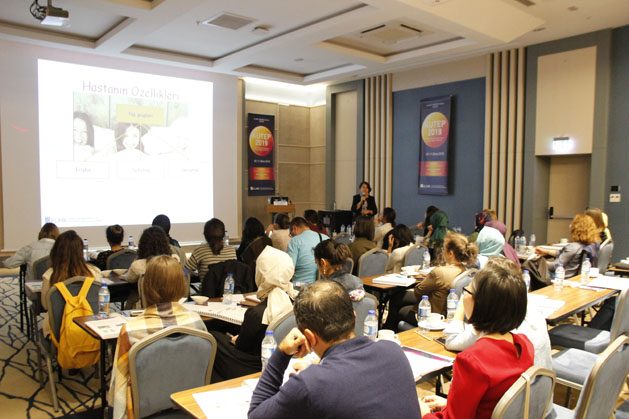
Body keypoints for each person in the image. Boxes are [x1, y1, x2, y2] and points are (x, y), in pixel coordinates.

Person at [248, 280, 420, 419]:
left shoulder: (310, 384)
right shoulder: (393, 350)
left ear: (309, 337)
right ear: (354, 316)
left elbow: (256, 414)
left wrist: (281, 354)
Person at [421, 258, 534, 418]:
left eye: (467, 290)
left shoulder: (472, 361)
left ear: (481, 304)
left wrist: (423, 412)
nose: (464, 295)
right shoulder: (524, 345)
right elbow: (495, 401)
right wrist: (450, 404)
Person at [109, 255, 207, 419]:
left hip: (144, 409)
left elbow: (119, 385)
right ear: (182, 285)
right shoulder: (196, 322)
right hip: (188, 405)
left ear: (146, 286)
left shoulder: (131, 330)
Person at [444, 258, 552, 369]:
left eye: (468, 290)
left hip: (513, 379)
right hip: (540, 378)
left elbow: (452, 341)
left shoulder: (492, 329)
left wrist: (462, 303)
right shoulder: (528, 317)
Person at [210, 246, 297, 382]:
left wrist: (235, 339)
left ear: (262, 273)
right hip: (280, 361)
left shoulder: (257, 314)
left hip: (251, 365)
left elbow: (241, 347)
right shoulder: (294, 301)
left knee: (213, 337)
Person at [383, 233, 477, 330]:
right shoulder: (466, 271)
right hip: (449, 312)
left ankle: (388, 330)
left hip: (433, 316)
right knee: (399, 297)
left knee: (400, 307)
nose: (443, 252)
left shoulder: (440, 272)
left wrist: (429, 278)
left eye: (444, 249)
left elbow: (418, 292)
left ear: (451, 253)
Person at [41, 230, 101, 311]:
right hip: (89, 318)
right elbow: (99, 302)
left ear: (56, 251)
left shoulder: (49, 275)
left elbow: (46, 305)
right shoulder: (94, 272)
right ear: (81, 251)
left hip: (60, 319)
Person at [535, 213, 599, 278]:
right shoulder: (588, 245)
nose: (570, 226)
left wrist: (538, 261)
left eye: (573, 224)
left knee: (532, 270)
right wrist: (546, 251)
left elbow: (555, 266)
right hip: (572, 277)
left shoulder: (573, 247)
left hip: (559, 277)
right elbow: (561, 253)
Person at [286, 217, 328, 285]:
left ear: (294, 228)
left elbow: (289, 269)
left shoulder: (295, 241)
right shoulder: (326, 238)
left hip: (300, 286)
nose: (292, 236)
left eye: (291, 234)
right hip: (322, 285)